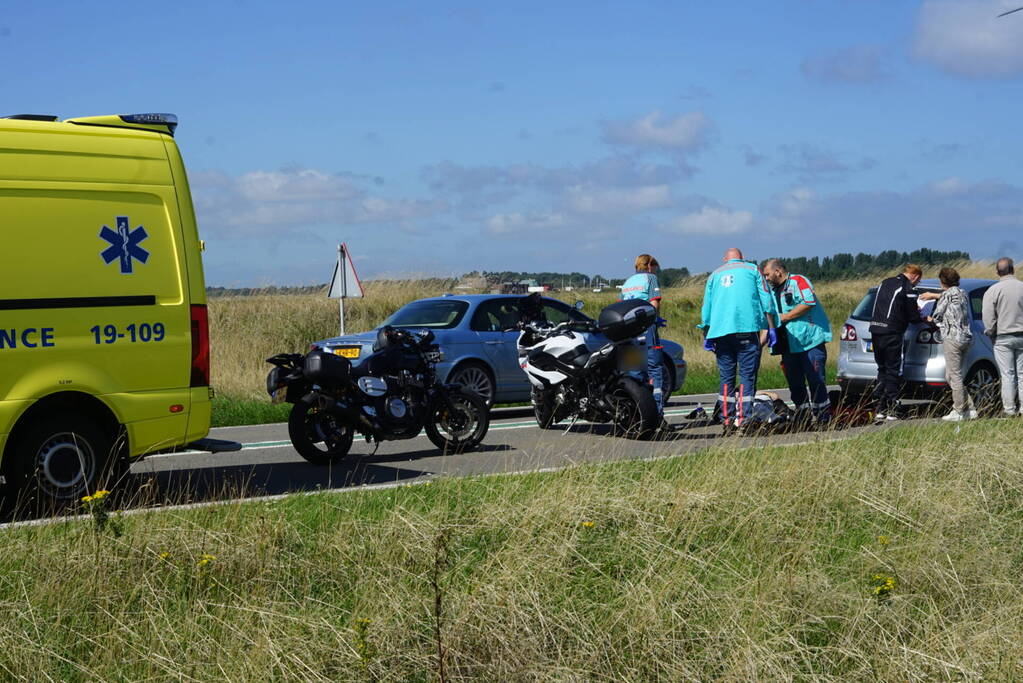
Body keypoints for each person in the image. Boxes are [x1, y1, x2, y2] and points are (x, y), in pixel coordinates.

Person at [699, 247, 778, 427]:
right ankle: (744, 419)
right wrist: (770, 327)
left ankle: (726, 419)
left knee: (726, 377)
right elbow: (766, 299)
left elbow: (707, 307)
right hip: (745, 329)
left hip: (720, 333)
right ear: (742, 258)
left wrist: (707, 332)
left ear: (725, 259)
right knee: (746, 376)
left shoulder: (714, 275)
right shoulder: (752, 270)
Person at [763, 259, 832, 425]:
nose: (766, 278)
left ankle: (823, 417)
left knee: (816, 380)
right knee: (795, 383)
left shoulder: (798, 281)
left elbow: (808, 302)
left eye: (767, 274)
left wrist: (785, 317)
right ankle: (804, 416)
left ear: (778, 271)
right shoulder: (771, 291)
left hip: (809, 342)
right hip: (788, 345)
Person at [868, 264, 923, 422]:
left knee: (882, 369)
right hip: (893, 332)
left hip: (875, 330)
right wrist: (924, 319)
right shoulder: (908, 288)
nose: (916, 284)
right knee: (894, 370)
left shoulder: (885, 282)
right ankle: (893, 408)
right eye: (918, 281)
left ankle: (879, 407)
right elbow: (913, 316)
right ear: (916, 276)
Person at [919, 267, 975, 421]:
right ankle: (970, 408)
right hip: (965, 337)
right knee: (951, 375)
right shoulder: (962, 293)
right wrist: (934, 295)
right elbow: (949, 296)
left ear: (942, 281)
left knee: (954, 375)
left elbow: (936, 317)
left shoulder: (946, 296)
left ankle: (958, 410)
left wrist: (922, 315)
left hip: (952, 338)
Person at [621, 254, 665, 416]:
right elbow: (654, 302)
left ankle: (637, 413)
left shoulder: (627, 282)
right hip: (646, 328)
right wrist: (656, 319)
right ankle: (657, 413)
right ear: (649, 266)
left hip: (628, 332)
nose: (656, 272)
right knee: (655, 368)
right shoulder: (651, 278)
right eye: (655, 268)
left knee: (634, 370)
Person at [982, 257, 1023, 416]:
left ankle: (1009, 409)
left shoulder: (993, 290)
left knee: (1007, 374)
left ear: (997, 272)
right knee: (1022, 374)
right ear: (1013, 269)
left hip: (1003, 336)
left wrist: (991, 332)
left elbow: (988, 316)